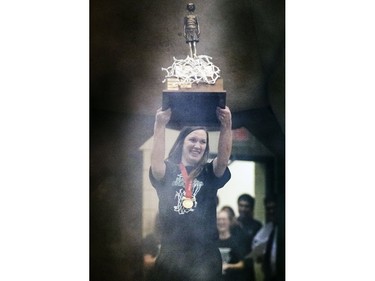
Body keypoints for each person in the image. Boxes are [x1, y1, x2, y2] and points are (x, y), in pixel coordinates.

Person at [149, 105, 232, 281]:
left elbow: (223, 160)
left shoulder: (209, 172)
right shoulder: (168, 170)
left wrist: (226, 125)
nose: (198, 145)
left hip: (204, 256)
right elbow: (156, 164)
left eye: (203, 142)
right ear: (181, 142)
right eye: (192, 140)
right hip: (171, 255)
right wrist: (160, 124)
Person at [236, 194, 262, 281]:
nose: (243, 209)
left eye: (246, 206)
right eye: (241, 205)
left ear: (251, 208)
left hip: (248, 269)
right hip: (232, 268)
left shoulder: (257, 226)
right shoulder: (232, 224)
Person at [251, 196, 278, 281]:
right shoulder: (267, 228)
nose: (271, 211)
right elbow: (256, 254)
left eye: (274, 208)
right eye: (268, 208)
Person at [217, 210, 246, 281]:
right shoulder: (213, 242)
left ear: (229, 222)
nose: (221, 222)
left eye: (224, 219)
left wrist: (228, 266)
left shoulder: (236, 241)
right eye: (219, 220)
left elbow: (242, 263)